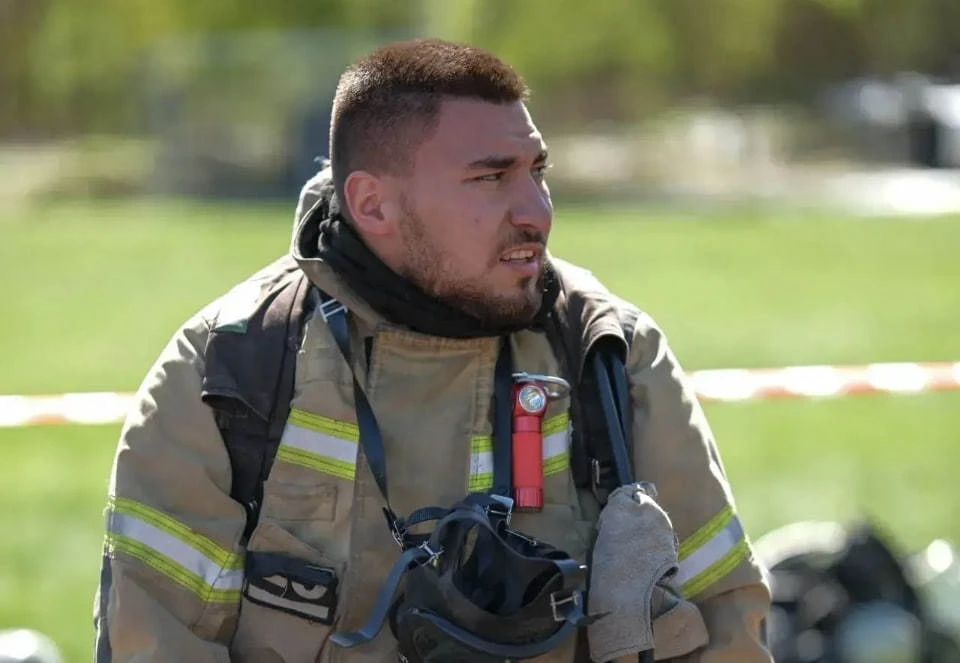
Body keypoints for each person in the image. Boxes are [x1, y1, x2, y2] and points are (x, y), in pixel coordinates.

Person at [93, 38, 772, 662]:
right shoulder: (227, 372)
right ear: (373, 205)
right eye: (491, 178)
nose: (537, 212)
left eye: (537, 170)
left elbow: (726, 626)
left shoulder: (610, 352)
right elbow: (155, 642)